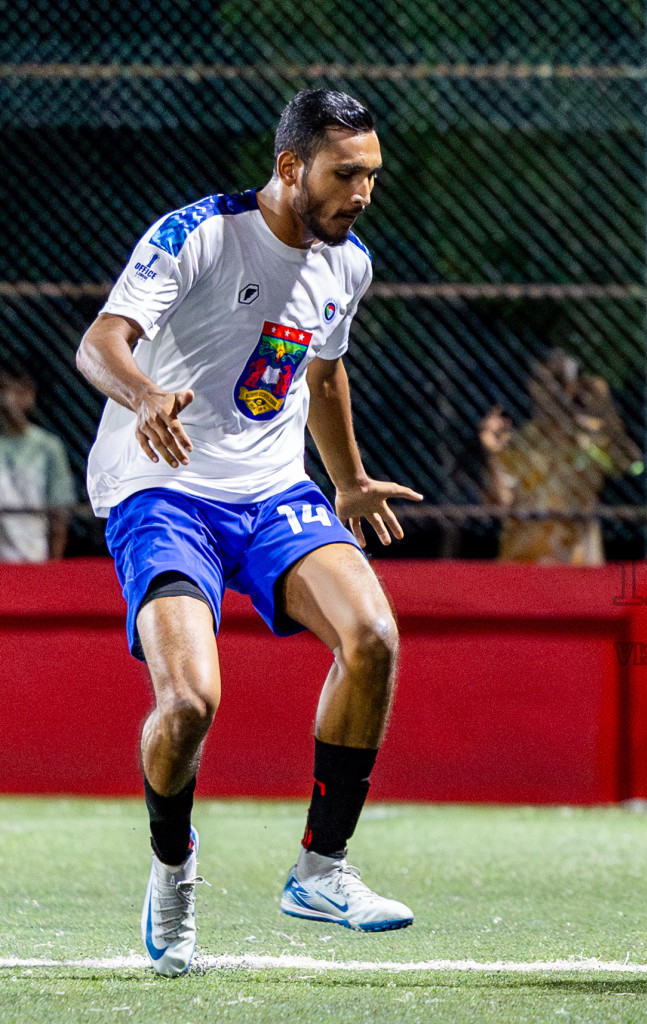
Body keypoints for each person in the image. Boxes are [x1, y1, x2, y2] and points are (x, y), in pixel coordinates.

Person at [75, 89, 423, 977]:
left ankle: (322, 870)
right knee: (190, 702)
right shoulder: (198, 234)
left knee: (373, 638)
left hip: (271, 491)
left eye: (373, 177)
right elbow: (100, 343)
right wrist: (145, 396)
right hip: (162, 486)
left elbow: (322, 374)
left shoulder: (348, 264)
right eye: (345, 175)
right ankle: (172, 868)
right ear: (290, 166)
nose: (362, 194)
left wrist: (348, 481)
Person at [479, 349, 639, 565]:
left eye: (557, 382)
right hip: (525, 558)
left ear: (571, 388)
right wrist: (493, 454)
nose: (550, 392)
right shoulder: (523, 440)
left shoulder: (589, 437)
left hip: (574, 559)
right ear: (533, 387)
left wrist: (606, 411)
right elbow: (501, 501)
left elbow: (630, 466)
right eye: (543, 383)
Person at [0, 365, 75, 562]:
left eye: (14, 391)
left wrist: (53, 566)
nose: (6, 400)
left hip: (34, 556)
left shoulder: (47, 446)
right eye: (3, 391)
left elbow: (60, 510)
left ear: (29, 395)